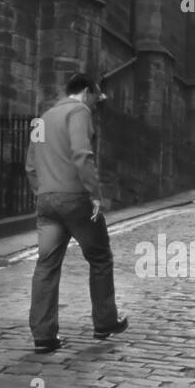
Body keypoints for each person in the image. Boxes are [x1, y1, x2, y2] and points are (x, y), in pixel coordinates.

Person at [25, 73, 128, 354]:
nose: (97, 102)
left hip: (46, 202)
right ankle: (104, 321)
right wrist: (94, 194)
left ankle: (44, 336)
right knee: (100, 257)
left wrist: (45, 192)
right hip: (76, 199)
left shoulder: (43, 117)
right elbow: (82, 154)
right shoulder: (79, 111)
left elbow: (30, 166)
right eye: (96, 96)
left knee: (46, 265)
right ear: (86, 91)